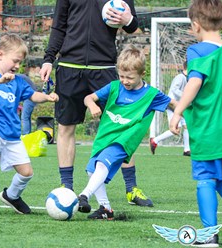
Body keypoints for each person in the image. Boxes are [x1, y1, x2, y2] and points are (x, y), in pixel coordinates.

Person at [39, 0, 153, 207]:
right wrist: (48, 58)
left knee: (121, 128)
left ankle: (131, 188)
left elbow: (133, 25)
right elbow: (59, 25)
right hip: (69, 65)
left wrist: (127, 20)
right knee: (65, 127)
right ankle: (67, 188)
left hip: (105, 67)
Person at [0, 34, 59, 217]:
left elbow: (32, 95)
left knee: (26, 173)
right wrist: (0, 80)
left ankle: (12, 196)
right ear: (0, 55)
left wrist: (47, 97)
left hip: (11, 133)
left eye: (19, 63)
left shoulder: (18, 81)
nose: (17, 66)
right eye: (15, 61)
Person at [77, 45, 176, 219]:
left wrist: (187, 115)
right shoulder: (114, 87)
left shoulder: (152, 94)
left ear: (142, 74)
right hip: (105, 137)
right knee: (92, 171)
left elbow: (174, 105)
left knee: (101, 165)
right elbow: (88, 97)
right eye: (122, 76)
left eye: (129, 77)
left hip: (124, 140)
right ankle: (105, 209)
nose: (125, 81)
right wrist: (92, 105)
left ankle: (83, 195)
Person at [170, 0, 222, 246]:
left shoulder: (197, 51)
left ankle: (209, 236)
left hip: (207, 129)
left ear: (195, 25)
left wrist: (177, 111)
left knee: (206, 178)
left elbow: (194, 83)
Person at [150, 61, 190, 156]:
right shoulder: (180, 77)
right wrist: (185, 96)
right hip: (172, 105)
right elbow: (174, 90)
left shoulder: (188, 78)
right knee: (176, 128)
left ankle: (187, 150)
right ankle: (155, 140)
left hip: (180, 105)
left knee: (186, 126)